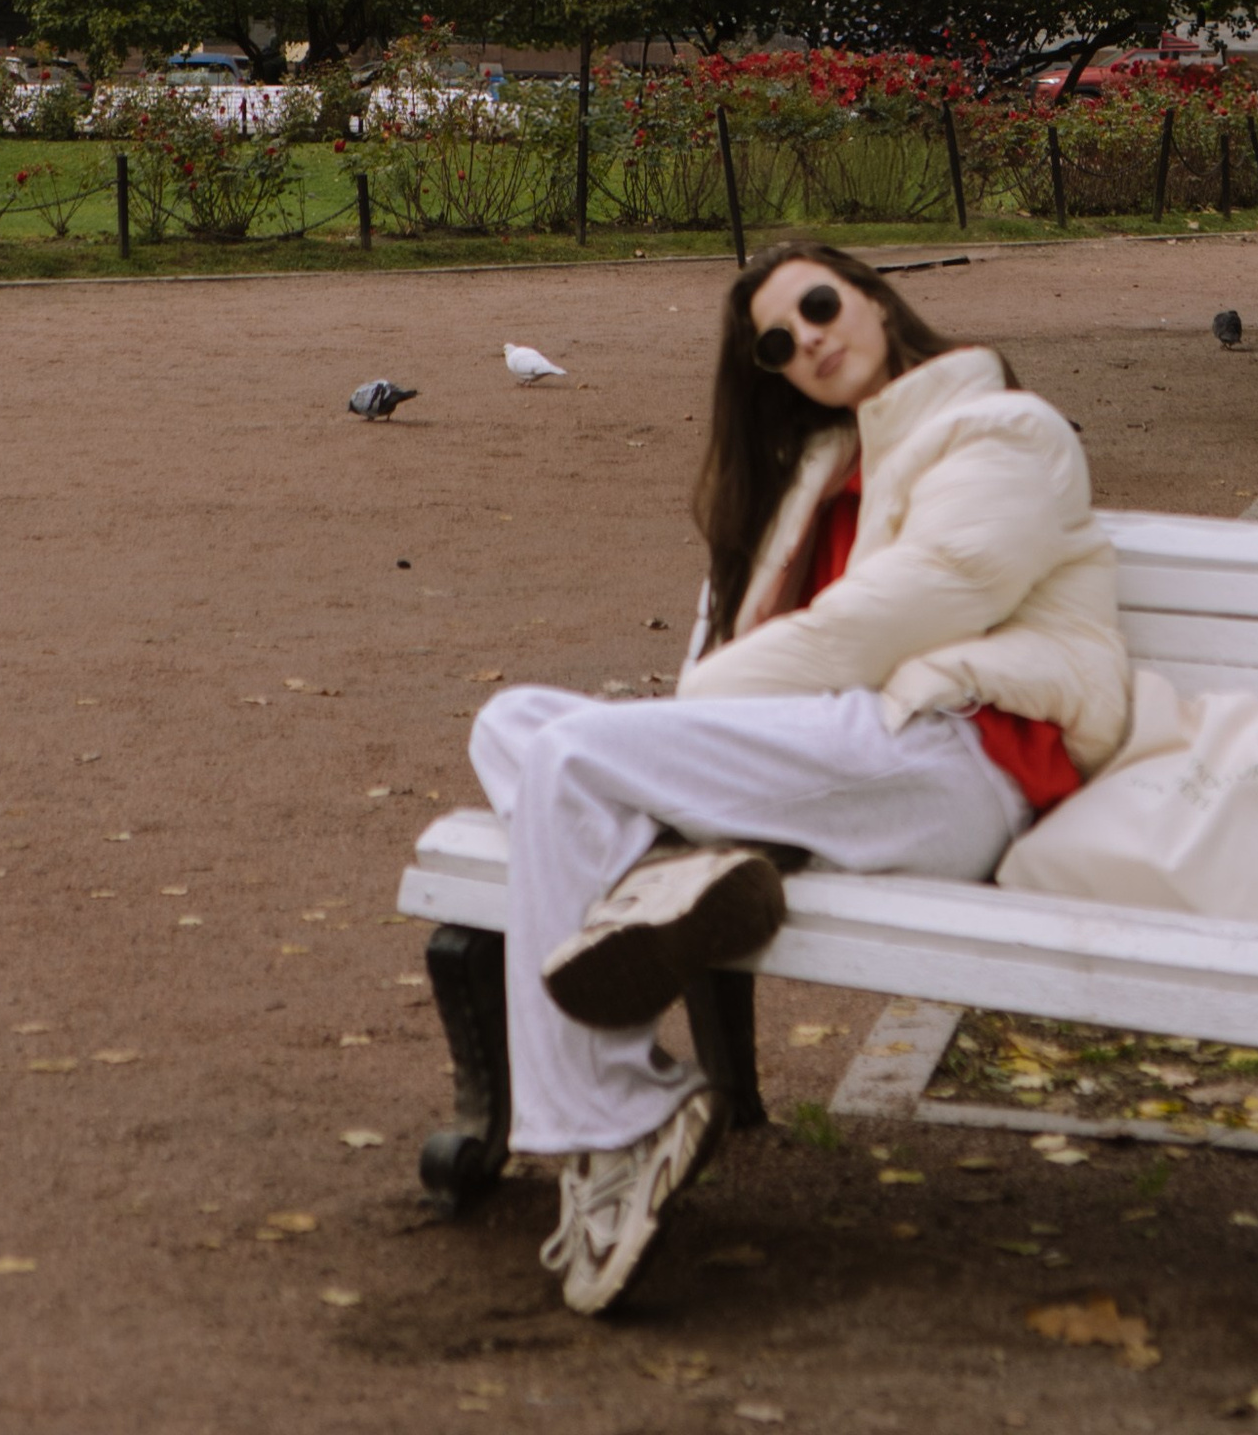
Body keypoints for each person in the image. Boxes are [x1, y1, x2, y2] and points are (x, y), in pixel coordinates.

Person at [469, 240, 1128, 1316]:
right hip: (840, 763)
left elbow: (907, 609)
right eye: (777, 341)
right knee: (518, 723)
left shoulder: (1004, 428)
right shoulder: (810, 478)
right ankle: (695, 869)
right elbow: (752, 651)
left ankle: (615, 1122)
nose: (807, 338)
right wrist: (695, 731)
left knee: (570, 757)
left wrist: (682, 730)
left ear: (872, 298)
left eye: (819, 306)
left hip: (954, 760)